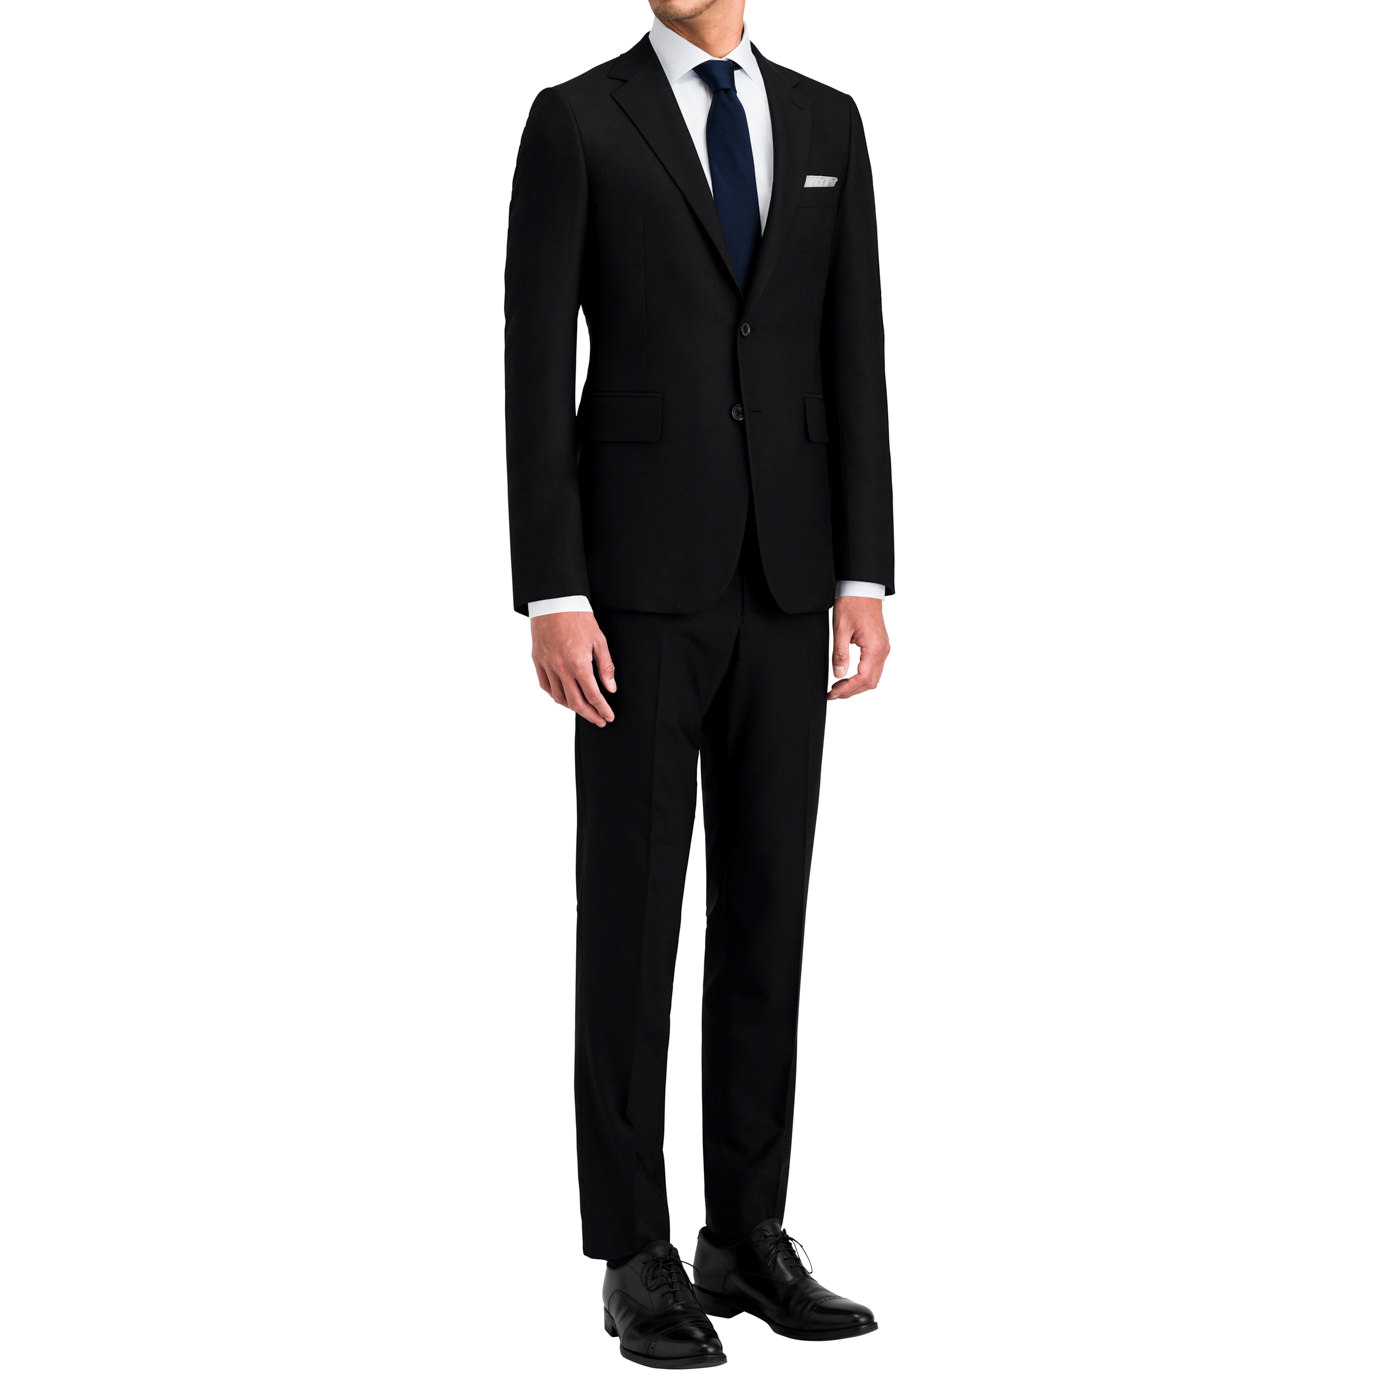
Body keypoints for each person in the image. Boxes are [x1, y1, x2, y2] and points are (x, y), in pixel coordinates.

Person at [504, 0, 895, 1369]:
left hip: (790, 578)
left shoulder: (830, 122)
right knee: (631, 915)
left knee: (767, 912)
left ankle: (746, 1234)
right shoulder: (576, 120)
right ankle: (634, 1250)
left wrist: (864, 570)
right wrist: (554, 590)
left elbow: (852, 349)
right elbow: (532, 359)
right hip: (632, 586)